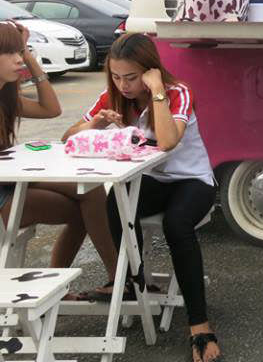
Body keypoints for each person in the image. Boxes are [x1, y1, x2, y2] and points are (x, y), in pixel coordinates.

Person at [62, 33, 223, 362]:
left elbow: (166, 142)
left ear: (150, 71)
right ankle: (137, 282)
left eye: (132, 77)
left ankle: (199, 325)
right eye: (117, 77)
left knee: (177, 226)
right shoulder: (114, 95)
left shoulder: (177, 92)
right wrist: (96, 121)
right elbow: (68, 137)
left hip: (193, 180)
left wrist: (158, 91)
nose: (123, 85)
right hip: (150, 180)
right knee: (115, 206)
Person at [0, 21, 119, 297]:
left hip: (14, 180)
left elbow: (51, 110)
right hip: (5, 193)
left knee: (90, 189)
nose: (19, 59)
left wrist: (29, 57)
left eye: (21, 52)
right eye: (11, 53)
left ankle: (116, 278)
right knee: (86, 208)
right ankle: (116, 277)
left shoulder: (6, 96)